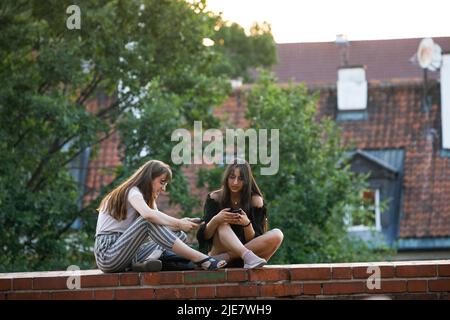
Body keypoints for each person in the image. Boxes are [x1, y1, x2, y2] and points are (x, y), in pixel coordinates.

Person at [94, 160, 226, 273]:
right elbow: (149, 216)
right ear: (148, 178)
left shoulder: (145, 199)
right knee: (147, 221)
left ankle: (146, 262)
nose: (163, 188)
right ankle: (200, 258)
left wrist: (181, 223)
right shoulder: (132, 191)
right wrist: (179, 223)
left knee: (178, 234)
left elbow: (160, 225)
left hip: (129, 254)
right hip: (108, 254)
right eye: (162, 182)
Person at [196, 159, 283, 269]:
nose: (235, 182)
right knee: (222, 224)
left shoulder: (255, 200)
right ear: (226, 178)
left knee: (278, 234)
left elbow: (256, 240)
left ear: (247, 181)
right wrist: (216, 220)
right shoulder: (215, 198)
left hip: (241, 259)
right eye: (232, 177)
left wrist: (247, 224)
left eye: (240, 178)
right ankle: (244, 255)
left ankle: (230, 257)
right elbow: (204, 237)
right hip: (220, 250)